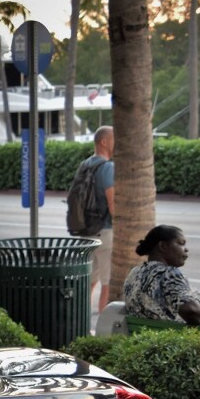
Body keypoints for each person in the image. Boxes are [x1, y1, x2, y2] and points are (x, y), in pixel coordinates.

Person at [122, 225, 200, 326]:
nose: (186, 249)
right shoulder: (168, 274)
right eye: (181, 243)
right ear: (163, 246)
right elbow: (191, 311)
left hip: (143, 338)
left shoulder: (135, 272)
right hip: (171, 339)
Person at [76, 125, 116, 309]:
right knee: (107, 284)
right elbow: (112, 202)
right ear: (104, 142)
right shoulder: (107, 167)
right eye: (115, 139)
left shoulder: (84, 165)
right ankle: (103, 329)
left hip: (85, 231)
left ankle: (79, 320)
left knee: (89, 279)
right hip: (105, 231)